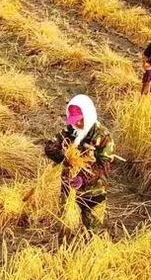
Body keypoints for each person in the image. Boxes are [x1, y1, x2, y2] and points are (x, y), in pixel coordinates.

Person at [44, 94, 114, 233]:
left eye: (79, 120)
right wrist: (63, 156)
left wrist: (83, 178)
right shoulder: (70, 131)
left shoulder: (102, 136)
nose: (76, 124)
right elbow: (50, 146)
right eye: (73, 120)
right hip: (69, 189)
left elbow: (104, 166)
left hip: (94, 192)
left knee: (93, 230)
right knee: (68, 227)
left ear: (87, 115)